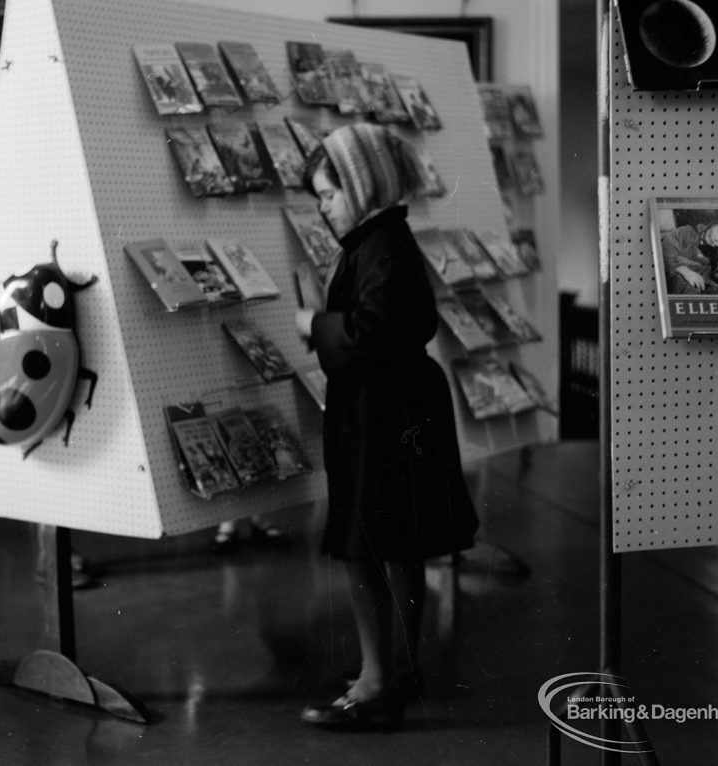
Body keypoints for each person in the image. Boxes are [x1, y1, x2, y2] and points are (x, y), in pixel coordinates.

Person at [293, 124, 479, 731]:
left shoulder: (379, 247)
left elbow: (371, 330)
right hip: (394, 409)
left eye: (328, 193)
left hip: (381, 414)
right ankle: (395, 666)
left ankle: (376, 685)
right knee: (396, 543)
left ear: (360, 183)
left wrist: (313, 323)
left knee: (365, 546)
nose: (322, 206)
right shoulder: (382, 239)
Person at [661, 217, 718, 294]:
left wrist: (716, 287)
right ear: (716, 223)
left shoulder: (707, 258)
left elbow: (703, 275)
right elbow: (665, 249)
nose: (716, 238)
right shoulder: (687, 232)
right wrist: (687, 272)